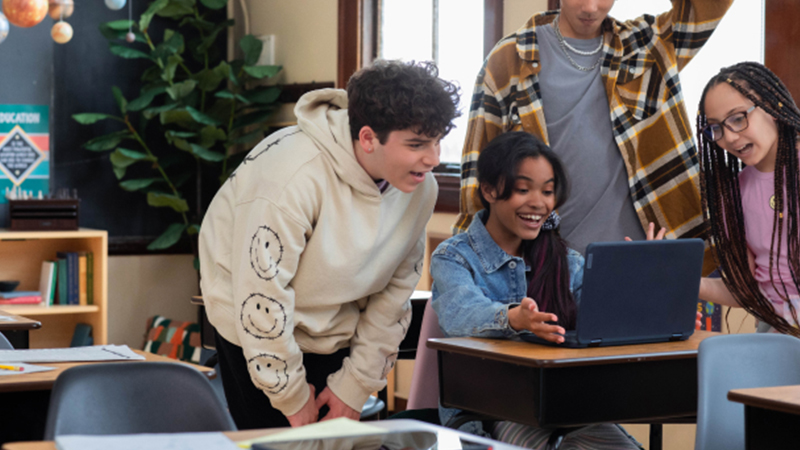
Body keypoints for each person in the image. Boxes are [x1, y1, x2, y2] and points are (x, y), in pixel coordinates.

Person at [198, 60, 460, 429]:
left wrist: (355, 386)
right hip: (254, 323)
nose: (433, 159)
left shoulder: (420, 188)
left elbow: (394, 296)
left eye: (437, 141)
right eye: (417, 144)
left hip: (336, 329)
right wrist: (290, 396)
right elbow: (262, 296)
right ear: (368, 138)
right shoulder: (291, 174)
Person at [456, 0, 732, 275]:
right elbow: (478, 180)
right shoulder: (508, 60)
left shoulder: (649, 44)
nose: (590, 8)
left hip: (652, 262)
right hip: (546, 270)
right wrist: (467, 270)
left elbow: (711, 6)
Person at [430, 131, 641, 449]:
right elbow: (459, 313)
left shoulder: (566, 260)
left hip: (564, 406)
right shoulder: (454, 257)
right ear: (489, 190)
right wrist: (513, 318)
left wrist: (647, 304)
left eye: (547, 191)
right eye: (523, 189)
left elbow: (600, 319)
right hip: (487, 412)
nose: (538, 203)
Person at [696, 61, 800, 336]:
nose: (729, 137)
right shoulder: (733, 195)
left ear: (771, 107)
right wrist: (681, 278)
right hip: (775, 332)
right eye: (716, 128)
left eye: (738, 118)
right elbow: (744, 290)